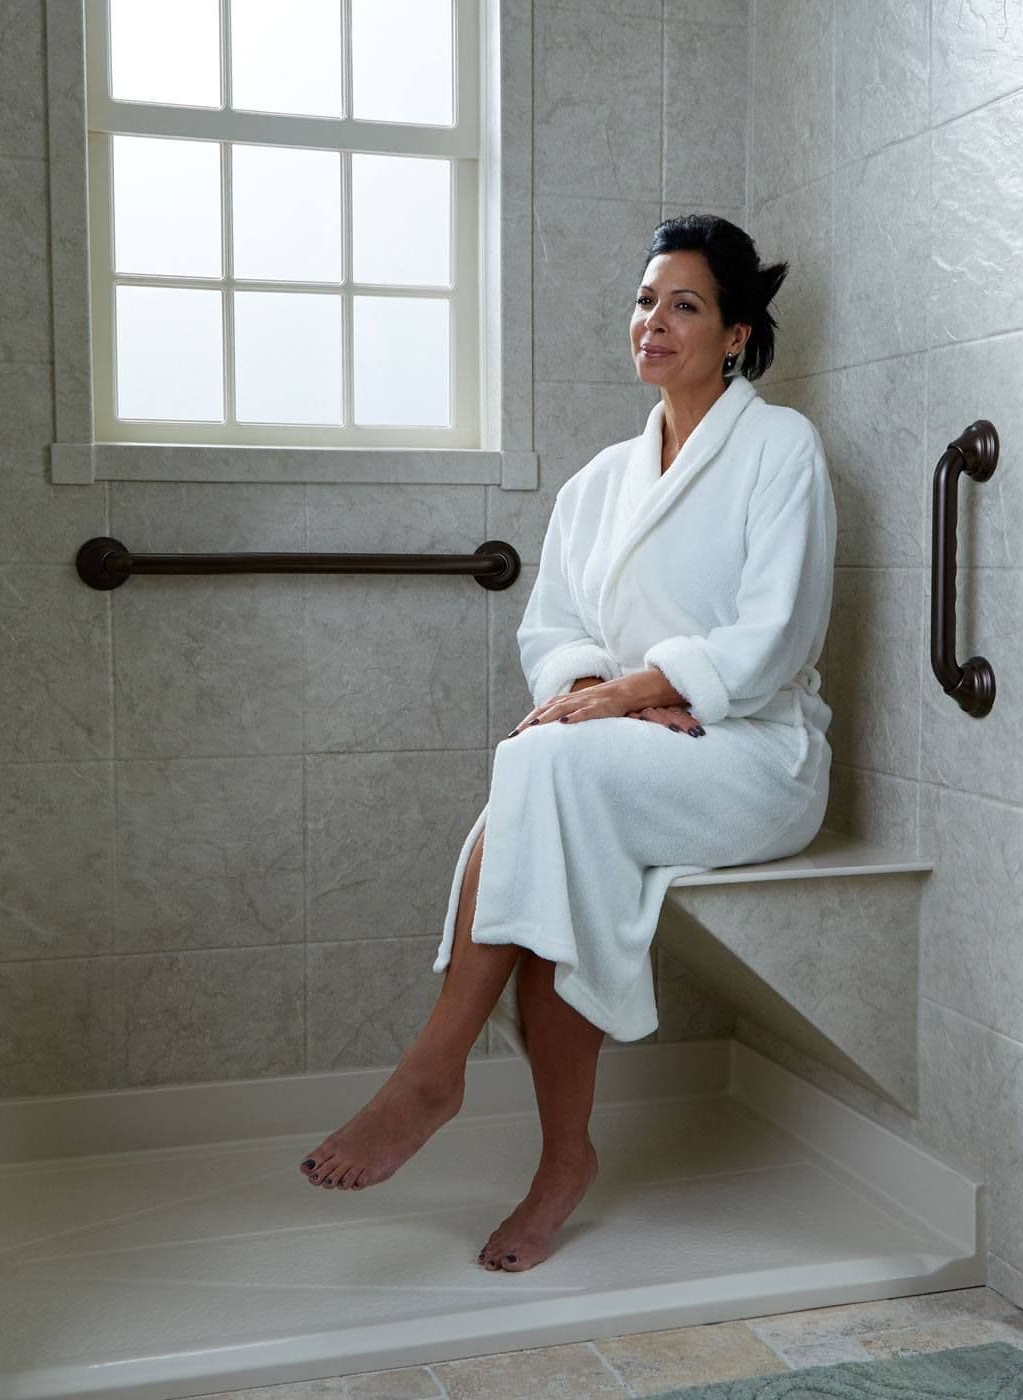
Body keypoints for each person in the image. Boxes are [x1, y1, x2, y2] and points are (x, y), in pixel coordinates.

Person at [297, 213, 838, 1274]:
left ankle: (437, 1062)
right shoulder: (599, 481)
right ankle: (558, 1158)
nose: (653, 321)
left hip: (749, 752)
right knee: (552, 805)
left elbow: (777, 633)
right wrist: (602, 692)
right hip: (631, 746)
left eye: (684, 304)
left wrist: (643, 686)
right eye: (645, 300)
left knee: (539, 772)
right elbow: (551, 629)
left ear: (734, 334)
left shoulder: (781, 448)